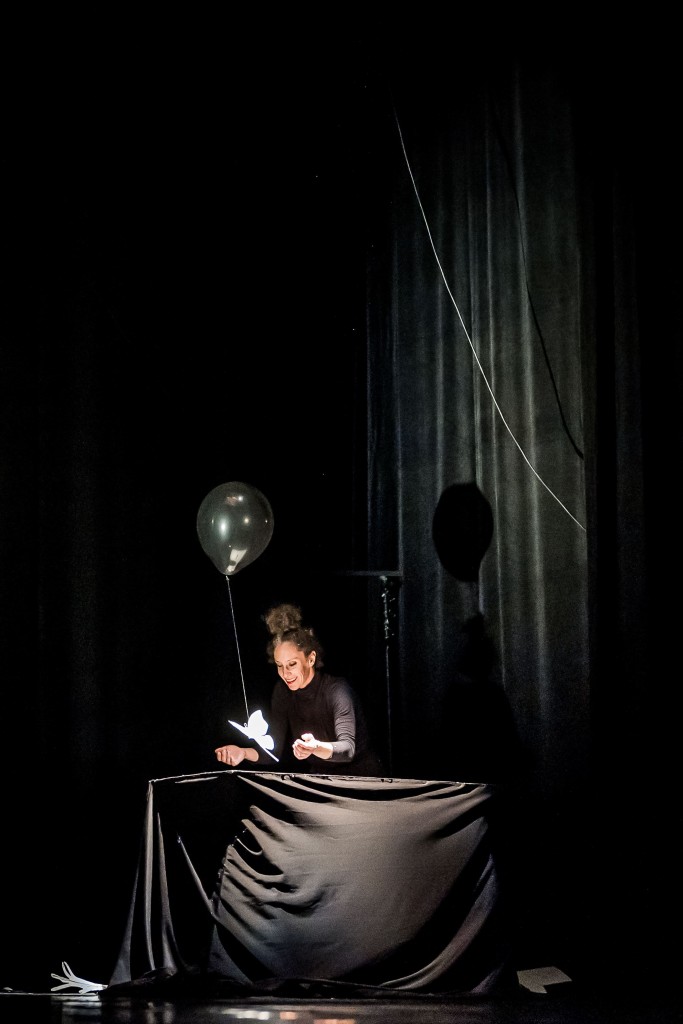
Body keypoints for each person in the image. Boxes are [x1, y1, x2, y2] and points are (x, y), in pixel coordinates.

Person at [215, 602, 383, 776]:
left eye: (292, 664)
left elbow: (347, 750)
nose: (285, 673)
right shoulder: (282, 692)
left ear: (310, 659)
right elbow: (273, 752)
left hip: (361, 777)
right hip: (322, 777)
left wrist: (315, 747)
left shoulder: (337, 690)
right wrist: (242, 753)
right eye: (279, 665)